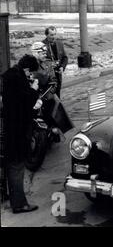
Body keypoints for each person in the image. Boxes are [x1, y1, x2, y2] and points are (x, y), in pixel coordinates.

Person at [2, 55, 41, 213]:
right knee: (17, 166)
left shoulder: (9, 76)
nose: (30, 76)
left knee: (12, 166)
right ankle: (19, 204)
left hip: (9, 129)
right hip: (18, 131)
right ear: (26, 69)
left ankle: (15, 201)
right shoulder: (19, 79)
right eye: (30, 73)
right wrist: (34, 90)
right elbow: (25, 104)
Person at [42, 26, 68, 98]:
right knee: (49, 96)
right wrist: (50, 65)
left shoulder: (60, 43)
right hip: (48, 76)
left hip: (58, 74)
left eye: (55, 34)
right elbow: (40, 61)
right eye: (51, 35)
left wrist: (62, 67)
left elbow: (65, 58)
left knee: (58, 94)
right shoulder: (41, 45)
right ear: (46, 35)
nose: (53, 37)